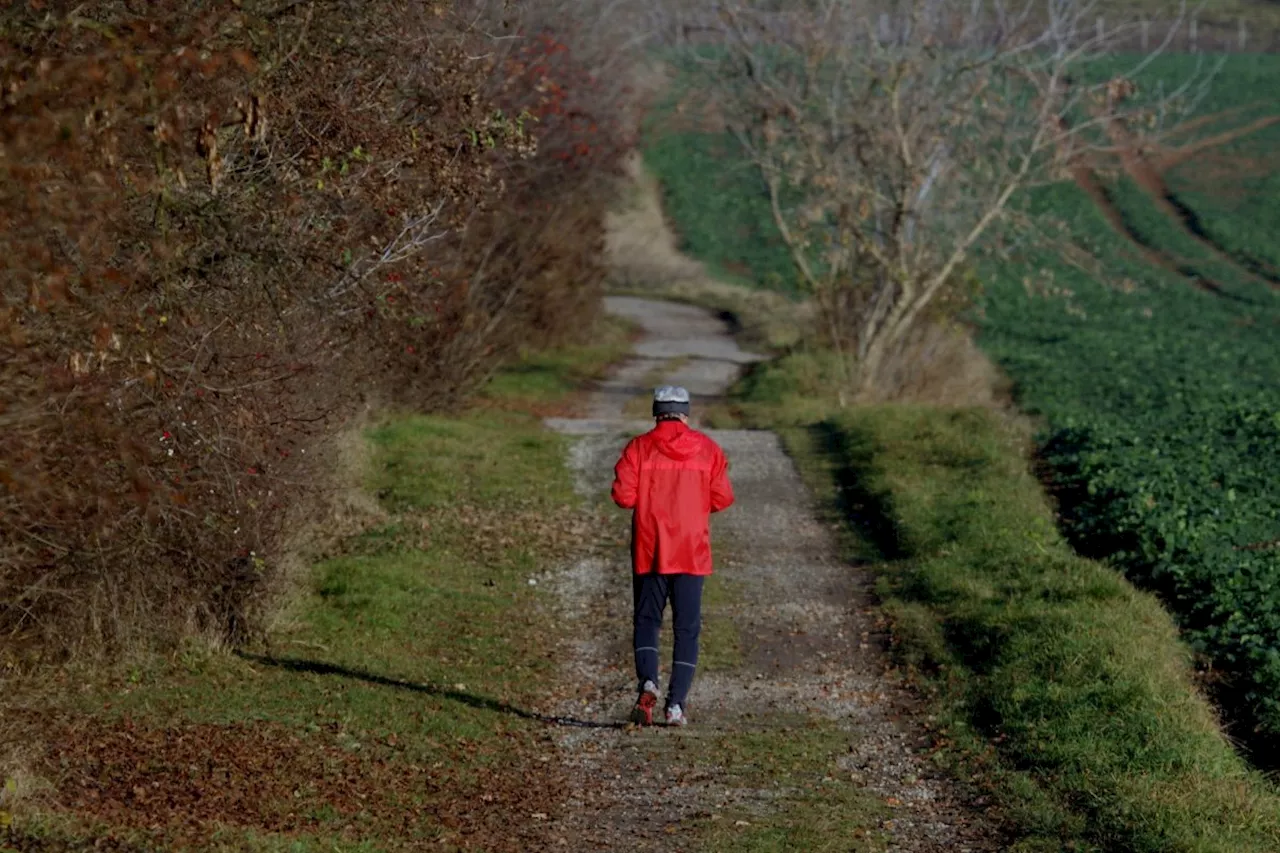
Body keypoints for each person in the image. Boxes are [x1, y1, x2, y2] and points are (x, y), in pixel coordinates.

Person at [610, 385, 735, 727]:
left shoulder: (638, 448)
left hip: (650, 550)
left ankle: (648, 681)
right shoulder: (708, 450)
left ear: (656, 411)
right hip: (692, 551)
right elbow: (723, 498)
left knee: (647, 621)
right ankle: (675, 705)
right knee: (687, 629)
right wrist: (694, 506)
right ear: (685, 412)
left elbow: (623, 496)